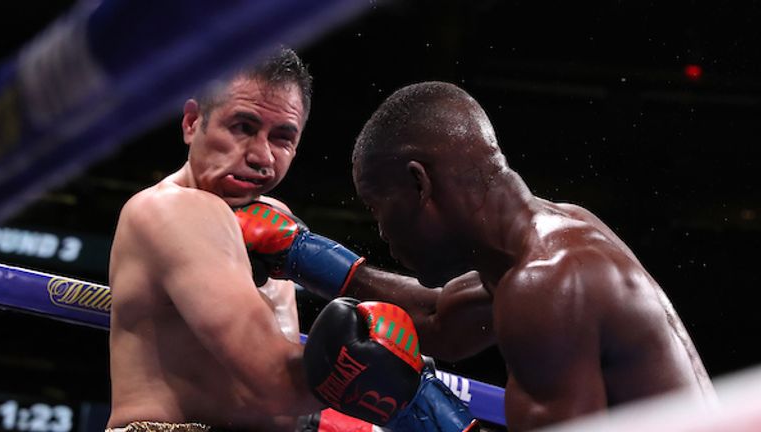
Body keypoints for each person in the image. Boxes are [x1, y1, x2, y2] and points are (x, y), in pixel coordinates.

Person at [239, 80, 715, 432]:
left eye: (378, 208)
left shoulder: (546, 285)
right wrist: (301, 253)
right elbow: (438, 318)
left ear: (419, 184)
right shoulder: (555, 238)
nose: (381, 230)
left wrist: (417, 410)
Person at [107, 47, 477, 432]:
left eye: (282, 137)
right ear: (192, 121)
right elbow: (274, 383)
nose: (261, 155)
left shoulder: (274, 218)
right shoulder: (173, 210)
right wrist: (399, 388)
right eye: (242, 127)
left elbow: (287, 405)